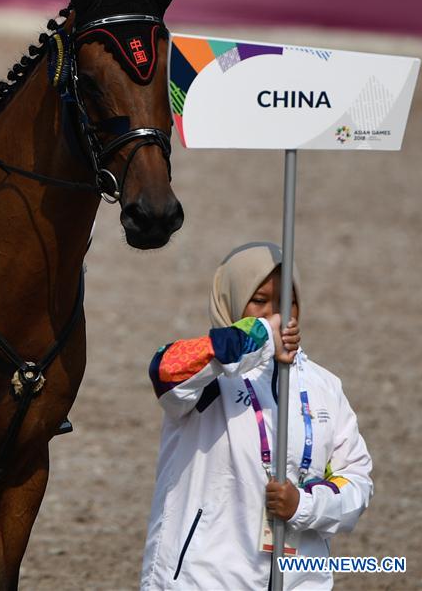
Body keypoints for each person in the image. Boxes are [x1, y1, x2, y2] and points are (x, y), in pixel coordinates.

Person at [140, 242, 372, 590]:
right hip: (201, 580)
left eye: (285, 302)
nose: (276, 314)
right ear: (232, 301)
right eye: (259, 301)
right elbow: (165, 371)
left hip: (300, 580)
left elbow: (356, 482)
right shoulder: (210, 375)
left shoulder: (326, 386)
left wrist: (304, 505)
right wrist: (261, 336)